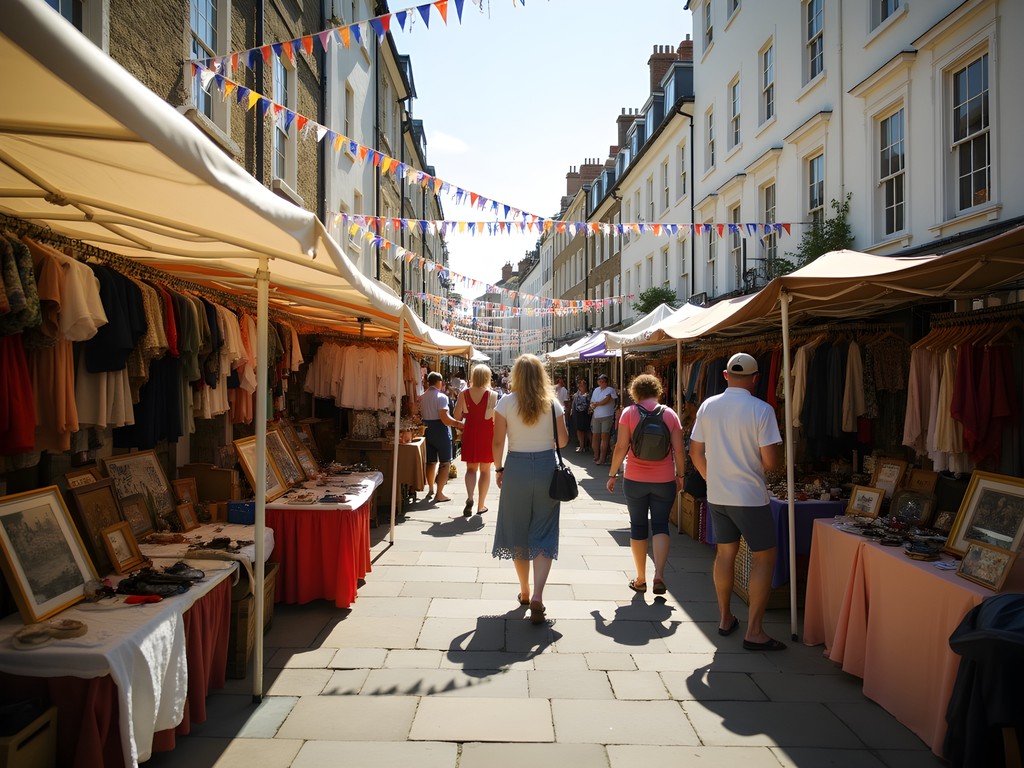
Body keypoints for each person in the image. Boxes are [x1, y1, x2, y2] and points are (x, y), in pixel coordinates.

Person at [689, 352, 785, 651]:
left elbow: (695, 452)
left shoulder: (708, 406)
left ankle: (724, 617)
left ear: (726, 375)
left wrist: (711, 479)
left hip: (718, 495)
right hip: (749, 497)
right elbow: (771, 463)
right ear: (756, 379)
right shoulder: (762, 409)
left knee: (725, 554)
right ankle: (754, 630)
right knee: (764, 557)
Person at [492, 353, 569, 625]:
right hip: (547, 468)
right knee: (544, 531)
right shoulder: (552, 404)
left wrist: (498, 469)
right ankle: (537, 594)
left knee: (518, 531)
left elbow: (498, 442)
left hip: (516, 469)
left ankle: (524, 590)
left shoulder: (505, 402)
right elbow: (563, 440)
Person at [606, 373, 685, 595]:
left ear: (635, 392)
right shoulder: (670, 414)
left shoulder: (629, 413)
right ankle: (659, 574)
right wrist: (681, 475)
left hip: (635, 479)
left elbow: (621, 447)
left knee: (638, 526)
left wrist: (612, 474)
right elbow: (679, 450)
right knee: (660, 525)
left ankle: (641, 578)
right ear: (657, 390)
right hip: (664, 479)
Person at [453, 364, 498, 517]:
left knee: (471, 469)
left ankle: (470, 497)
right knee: (485, 470)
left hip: (470, 432)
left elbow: (457, 415)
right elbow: (493, 418)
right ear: (487, 377)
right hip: (487, 434)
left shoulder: (463, 394)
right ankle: (480, 505)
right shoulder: (492, 395)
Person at [419, 371, 465, 503]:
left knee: (431, 461)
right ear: (439, 382)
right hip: (440, 430)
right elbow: (444, 418)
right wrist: (458, 424)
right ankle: (439, 493)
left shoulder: (422, 397)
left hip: (427, 429)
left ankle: (431, 489)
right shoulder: (441, 397)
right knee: (445, 462)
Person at [590, 373, 617, 464]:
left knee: (604, 437)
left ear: (606, 382)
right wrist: (593, 405)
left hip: (607, 415)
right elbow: (592, 401)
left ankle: (602, 458)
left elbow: (606, 400)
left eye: (603, 381)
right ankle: (596, 456)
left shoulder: (610, 390)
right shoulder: (596, 390)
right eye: (600, 381)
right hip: (596, 415)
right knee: (595, 436)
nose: (601, 383)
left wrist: (596, 404)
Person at [571, 377, 592, 452]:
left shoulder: (589, 394)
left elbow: (590, 404)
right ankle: (581, 446)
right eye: (579, 383)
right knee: (579, 430)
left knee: (588, 430)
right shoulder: (577, 393)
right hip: (578, 413)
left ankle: (591, 446)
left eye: (582, 383)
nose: (580, 385)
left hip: (586, 413)